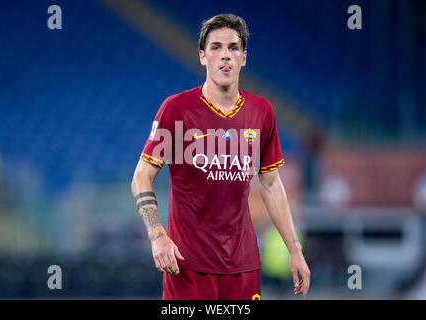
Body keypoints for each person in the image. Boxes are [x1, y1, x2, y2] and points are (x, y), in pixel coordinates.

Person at [131, 13, 310, 300]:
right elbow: (141, 177)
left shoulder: (261, 111)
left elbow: (271, 184)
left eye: (233, 48)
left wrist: (294, 249)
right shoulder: (177, 110)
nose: (225, 56)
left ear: (244, 57)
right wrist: (157, 236)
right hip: (187, 265)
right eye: (216, 48)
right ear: (203, 57)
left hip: (243, 265)